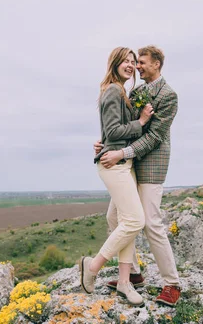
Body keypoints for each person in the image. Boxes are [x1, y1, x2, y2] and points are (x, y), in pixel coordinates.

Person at [96, 45, 182, 306]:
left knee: (151, 223)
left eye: (142, 62)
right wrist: (106, 144)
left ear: (157, 64)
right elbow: (124, 128)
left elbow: (154, 136)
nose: (138, 67)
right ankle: (132, 273)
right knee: (114, 217)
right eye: (136, 62)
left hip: (151, 166)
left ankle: (172, 283)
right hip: (129, 163)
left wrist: (121, 153)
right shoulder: (137, 91)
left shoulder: (168, 96)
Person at [79, 46, 154, 307]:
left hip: (124, 162)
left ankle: (124, 282)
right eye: (125, 61)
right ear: (114, 64)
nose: (131, 65)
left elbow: (109, 133)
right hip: (115, 165)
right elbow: (113, 130)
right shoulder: (113, 90)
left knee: (123, 220)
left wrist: (107, 142)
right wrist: (141, 122)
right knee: (134, 221)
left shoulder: (121, 91)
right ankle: (93, 266)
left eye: (133, 62)